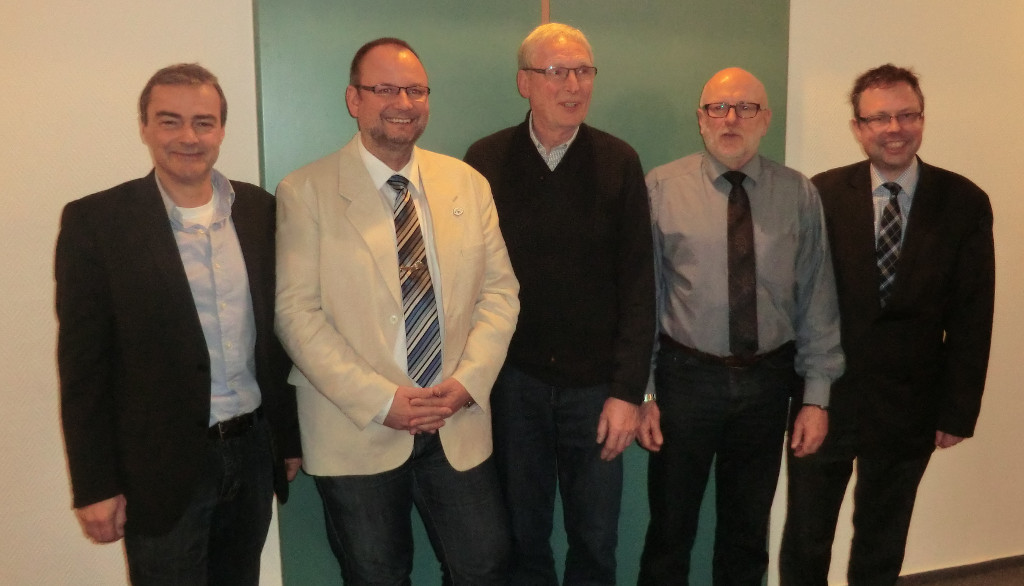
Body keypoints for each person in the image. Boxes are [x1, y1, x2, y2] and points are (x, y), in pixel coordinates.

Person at [274, 38, 519, 584]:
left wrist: (467, 382)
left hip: (455, 419)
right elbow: (296, 314)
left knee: (485, 565)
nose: (403, 103)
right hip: (356, 425)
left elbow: (500, 294)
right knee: (376, 575)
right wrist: (382, 400)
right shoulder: (305, 191)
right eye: (385, 89)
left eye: (415, 90)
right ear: (354, 99)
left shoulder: (467, 184)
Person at [55, 63, 301, 585]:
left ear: (221, 130)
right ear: (145, 127)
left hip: (253, 451)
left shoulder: (259, 210)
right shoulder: (96, 223)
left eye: (203, 122)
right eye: (170, 121)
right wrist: (94, 484)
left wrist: (288, 439)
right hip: (159, 469)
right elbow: (83, 369)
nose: (188, 137)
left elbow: (278, 336)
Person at [779, 64, 995, 586]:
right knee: (806, 536)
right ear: (858, 127)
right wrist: (802, 394)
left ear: (922, 119)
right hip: (825, 400)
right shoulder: (821, 194)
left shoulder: (964, 202)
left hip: (911, 405)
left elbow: (973, 315)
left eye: (906, 115)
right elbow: (798, 300)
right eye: (879, 118)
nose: (894, 128)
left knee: (883, 538)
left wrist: (958, 409)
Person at [464, 22, 656, 585]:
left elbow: (639, 286)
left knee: (595, 540)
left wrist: (629, 392)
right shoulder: (485, 160)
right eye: (556, 72)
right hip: (513, 384)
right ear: (524, 82)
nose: (573, 85)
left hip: (597, 390)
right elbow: (468, 278)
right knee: (521, 537)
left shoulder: (619, 161)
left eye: (583, 71)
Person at [637, 67, 845, 585]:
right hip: (685, 381)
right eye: (718, 108)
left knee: (747, 535)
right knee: (670, 531)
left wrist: (816, 399)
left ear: (766, 119)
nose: (730, 119)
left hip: (767, 384)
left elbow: (817, 299)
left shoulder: (798, 194)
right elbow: (642, 301)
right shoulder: (661, 188)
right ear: (701, 118)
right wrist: (644, 393)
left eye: (745, 108)